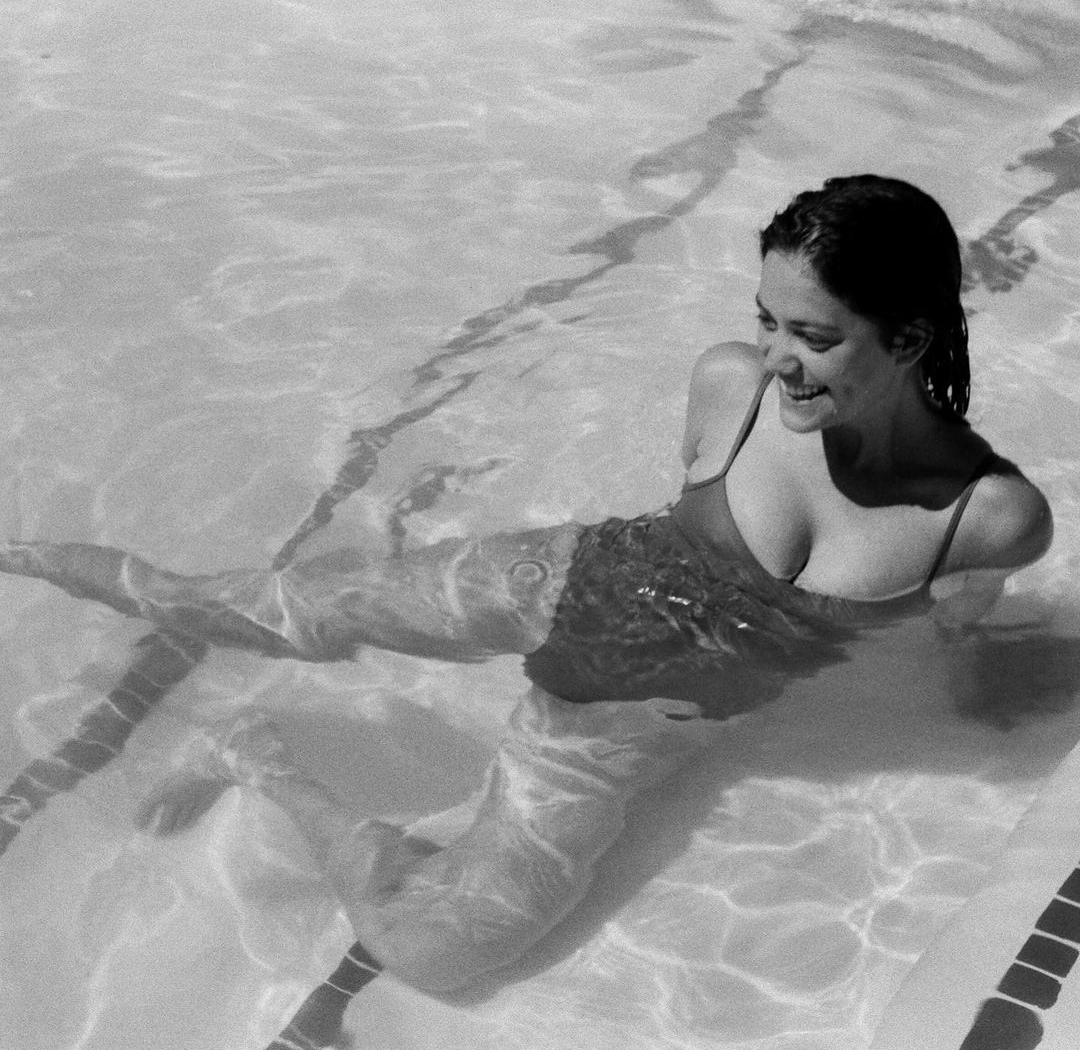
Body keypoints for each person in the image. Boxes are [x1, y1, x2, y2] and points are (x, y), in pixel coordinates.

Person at [0, 175, 1052, 993]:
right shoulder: (729, 382)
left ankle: (261, 762)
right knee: (217, 604)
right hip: (562, 575)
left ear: (909, 337)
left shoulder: (988, 515)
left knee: (434, 952)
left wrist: (976, 698)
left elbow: (963, 617)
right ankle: (21, 550)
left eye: (813, 336)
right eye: (768, 319)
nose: (776, 356)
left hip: (621, 722)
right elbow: (679, 521)